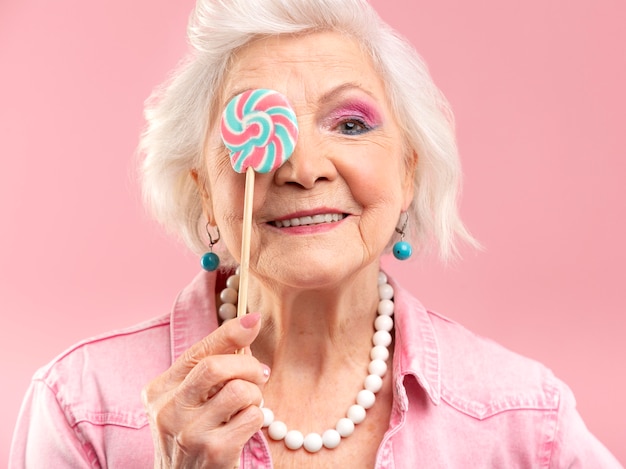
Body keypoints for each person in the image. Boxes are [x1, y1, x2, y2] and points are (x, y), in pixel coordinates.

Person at [10, 0, 621, 467]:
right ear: (204, 191)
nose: (303, 169)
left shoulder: (522, 418)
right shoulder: (81, 408)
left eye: (351, 124)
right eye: (257, 127)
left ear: (408, 173)